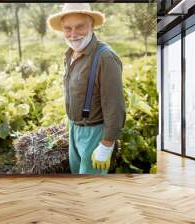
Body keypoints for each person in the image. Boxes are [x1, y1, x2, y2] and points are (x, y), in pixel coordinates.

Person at [47, 3, 126, 174]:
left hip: (94, 133)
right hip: (74, 129)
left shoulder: (105, 57)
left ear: (91, 25)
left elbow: (115, 105)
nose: (73, 34)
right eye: (67, 29)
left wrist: (106, 145)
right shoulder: (69, 55)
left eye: (79, 27)